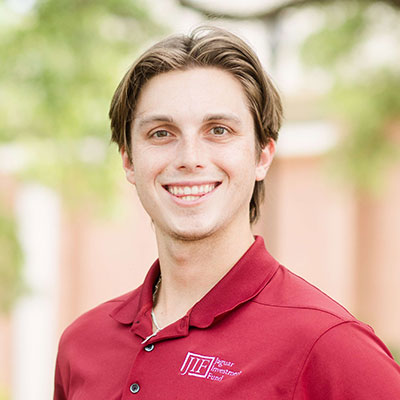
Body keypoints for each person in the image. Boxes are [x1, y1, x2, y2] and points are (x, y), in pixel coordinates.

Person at [54, 26, 400, 399]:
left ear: (262, 155)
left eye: (218, 130)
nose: (189, 158)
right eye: (161, 133)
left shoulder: (328, 344)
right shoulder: (83, 343)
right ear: (128, 161)